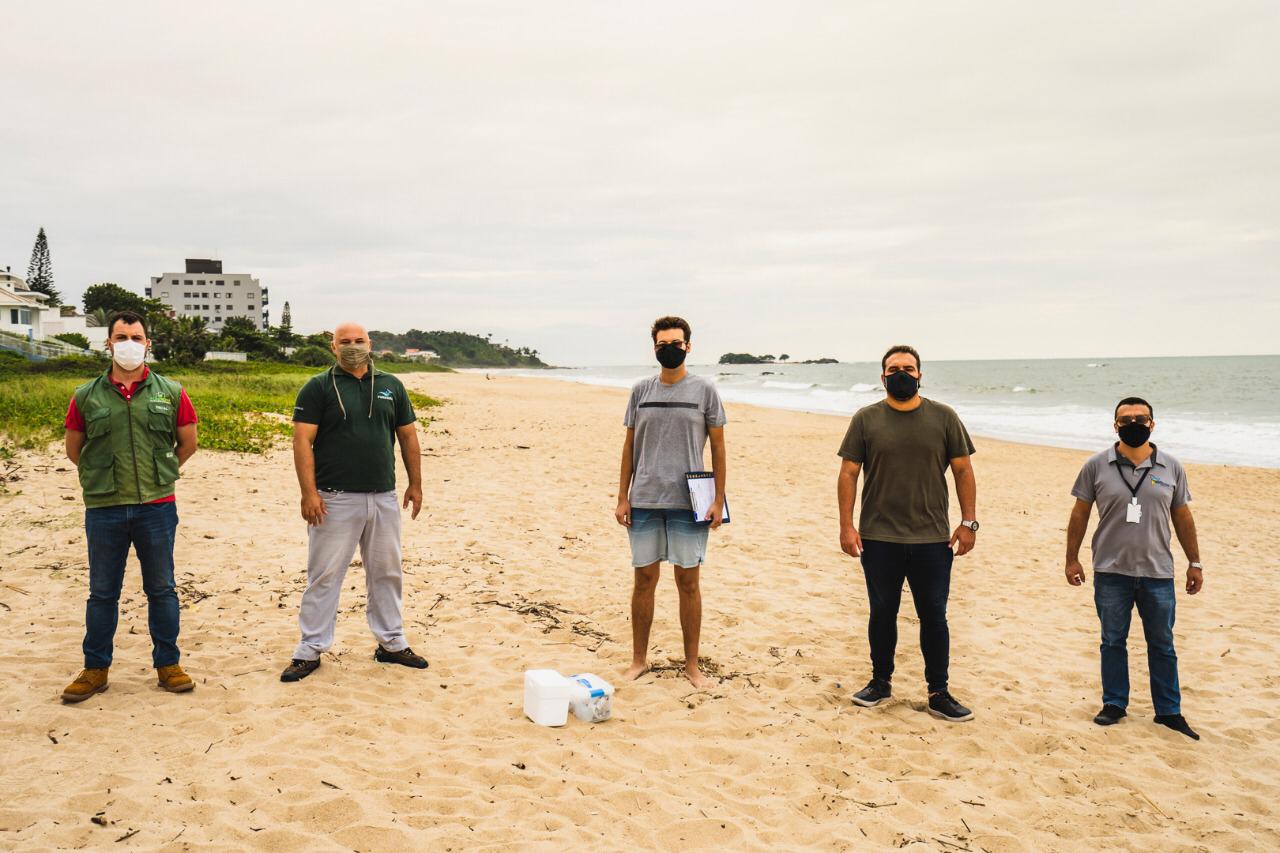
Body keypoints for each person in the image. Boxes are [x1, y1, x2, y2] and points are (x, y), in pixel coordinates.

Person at [60, 311, 199, 702]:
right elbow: (75, 449)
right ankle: (95, 669)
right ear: (107, 343)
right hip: (104, 508)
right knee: (102, 592)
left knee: (162, 589)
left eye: (136, 337)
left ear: (147, 344)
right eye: (121, 336)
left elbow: (187, 444)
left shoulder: (170, 391)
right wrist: (105, 479)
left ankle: (168, 665)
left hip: (157, 507)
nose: (129, 344)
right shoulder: (86, 395)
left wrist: (161, 474)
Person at [837, 345, 978, 722]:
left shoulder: (944, 417)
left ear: (920, 375)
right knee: (882, 612)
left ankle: (939, 692)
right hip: (878, 537)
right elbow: (848, 472)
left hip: (932, 538)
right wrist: (846, 525)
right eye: (894, 368)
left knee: (934, 615)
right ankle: (880, 682)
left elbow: (963, 470)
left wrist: (968, 522)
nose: (902, 373)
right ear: (883, 377)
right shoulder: (866, 419)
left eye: (909, 368)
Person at [280, 322, 428, 682]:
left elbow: (407, 436)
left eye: (358, 341)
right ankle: (310, 649)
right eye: (344, 342)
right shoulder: (318, 387)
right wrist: (308, 492)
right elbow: (302, 442)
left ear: (370, 344)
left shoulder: (391, 386)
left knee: (387, 572)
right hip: (334, 499)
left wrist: (416, 484)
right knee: (325, 575)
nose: (352, 346)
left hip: (383, 497)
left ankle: (391, 643)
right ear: (333, 347)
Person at [1065, 397, 1203, 739]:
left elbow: (1182, 516)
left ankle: (1169, 711)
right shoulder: (1096, 465)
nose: (1133, 424)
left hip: (1158, 573)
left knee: (1162, 644)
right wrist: (1071, 558)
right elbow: (1080, 513)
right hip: (1111, 572)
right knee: (1112, 641)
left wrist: (1194, 562)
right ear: (1115, 426)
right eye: (1125, 420)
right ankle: (1114, 704)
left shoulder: (1171, 467)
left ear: (1153, 424)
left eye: (1141, 418)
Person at [615, 316, 726, 688]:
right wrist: (622, 497)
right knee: (644, 579)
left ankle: (692, 666)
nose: (670, 349)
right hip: (645, 497)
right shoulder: (640, 391)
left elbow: (719, 447)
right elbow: (629, 446)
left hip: (689, 501)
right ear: (655, 348)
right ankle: (638, 660)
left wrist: (719, 499)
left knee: (688, 582)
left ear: (688, 347)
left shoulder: (705, 390)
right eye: (663, 344)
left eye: (676, 343)